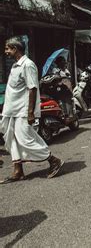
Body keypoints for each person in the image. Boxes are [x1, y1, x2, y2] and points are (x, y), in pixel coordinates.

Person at [0, 38, 64, 184]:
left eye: (7, 49)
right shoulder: (16, 66)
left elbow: (32, 88)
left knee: (25, 139)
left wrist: (30, 112)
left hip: (22, 110)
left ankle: (53, 160)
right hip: (11, 110)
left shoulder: (28, 65)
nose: (6, 52)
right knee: (12, 139)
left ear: (15, 49)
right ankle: (18, 171)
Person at [52, 56, 74, 120]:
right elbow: (54, 76)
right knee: (62, 100)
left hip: (67, 86)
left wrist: (66, 75)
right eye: (62, 61)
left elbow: (69, 76)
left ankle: (70, 115)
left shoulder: (66, 69)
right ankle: (64, 114)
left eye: (64, 61)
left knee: (68, 100)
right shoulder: (55, 70)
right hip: (60, 87)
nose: (63, 63)